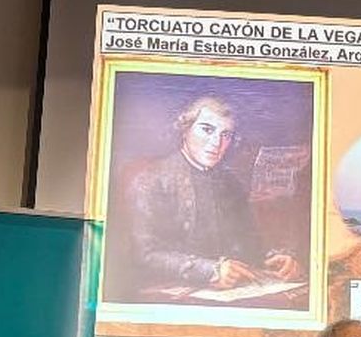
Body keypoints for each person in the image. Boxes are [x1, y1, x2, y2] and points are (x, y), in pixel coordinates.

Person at [117, 95, 306, 295]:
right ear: (185, 130)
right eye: (207, 130)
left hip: (229, 294)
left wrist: (275, 259)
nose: (217, 142)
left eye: (226, 135)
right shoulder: (152, 179)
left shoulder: (230, 182)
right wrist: (209, 271)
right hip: (164, 296)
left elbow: (248, 243)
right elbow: (144, 254)